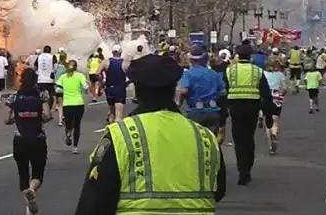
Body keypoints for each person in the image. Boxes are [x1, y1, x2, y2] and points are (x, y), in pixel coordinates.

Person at [73, 54, 226, 215]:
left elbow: (94, 200)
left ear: (138, 91)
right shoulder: (205, 136)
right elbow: (219, 190)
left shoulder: (121, 135)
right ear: (173, 88)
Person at [223, 43, 272, 185]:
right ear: (251, 56)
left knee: (238, 139)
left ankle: (241, 169)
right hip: (252, 106)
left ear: (237, 56)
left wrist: (224, 108)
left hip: (235, 107)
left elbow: (224, 90)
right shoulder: (257, 71)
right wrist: (268, 113)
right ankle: (247, 168)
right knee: (249, 138)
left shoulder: (230, 71)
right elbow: (266, 93)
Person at [6, 68, 52, 215]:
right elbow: (47, 115)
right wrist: (38, 117)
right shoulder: (42, 95)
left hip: (20, 139)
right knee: (37, 174)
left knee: (23, 174)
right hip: (38, 138)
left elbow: (7, 119)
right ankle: (32, 190)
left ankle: (28, 207)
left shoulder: (14, 97)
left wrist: (17, 118)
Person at [178, 45, 224, 135]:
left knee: (198, 141)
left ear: (191, 60)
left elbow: (184, 91)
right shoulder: (213, 73)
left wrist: (179, 103)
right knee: (212, 140)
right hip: (213, 111)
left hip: (196, 112)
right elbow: (223, 91)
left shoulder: (188, 74)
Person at [57, 59, 88, 153]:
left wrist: (63, 91)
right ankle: (75, 147)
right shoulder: (80, 76)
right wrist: (86, 89)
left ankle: (68, 133)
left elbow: (58, 89)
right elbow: (85, 87)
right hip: (79, 103)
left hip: (67, 104)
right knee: (77, 125)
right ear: (76, 67)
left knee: (68, 123)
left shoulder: (63, 77)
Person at [262, 59, 286, 155]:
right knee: (275, 119)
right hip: (277, 97)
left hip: (266, 97)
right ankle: (274, 134)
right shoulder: (280, 74)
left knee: (267, 121)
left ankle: (270, 145)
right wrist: (282, 95)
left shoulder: (263, 74)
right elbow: (285, 88)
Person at [100, 44, 128, 124]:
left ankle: (110, 130)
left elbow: (97, 73)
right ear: (121, 52)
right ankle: (117, 134)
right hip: (120, 89)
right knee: (118, 116)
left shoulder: (106, 62)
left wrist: (102, 82)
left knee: (112, 113)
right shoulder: (125, 63)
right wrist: (127, 83)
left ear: (112, 52)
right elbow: (133, 75)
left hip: (109, 89)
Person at [35, 45, 57, 111]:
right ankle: (49, 108)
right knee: (51, 94)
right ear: (50, 51)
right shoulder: (52, 56)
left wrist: (38, 73)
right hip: (49, 79)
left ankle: (41, 107)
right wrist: (53, 72)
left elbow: (35, 66)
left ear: (44, 50)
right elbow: (55, 67)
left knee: (41, 94)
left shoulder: (39, 57)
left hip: (40, 79)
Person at [53, 49, 68, 127]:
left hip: (57, 87)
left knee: (60, 104)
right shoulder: (67, 67)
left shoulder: (56, 66)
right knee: (65, 104)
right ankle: (64, 117)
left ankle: (60, 121)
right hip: (64, 87)